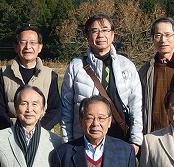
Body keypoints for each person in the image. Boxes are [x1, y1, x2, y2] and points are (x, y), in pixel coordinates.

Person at [60, 14, 143, 153]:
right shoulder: (76, 66)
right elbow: (66, 108)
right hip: (84, 140)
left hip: (120, 138)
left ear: (112, 35)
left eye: (105, 30)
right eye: (95, 31)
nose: (100, 35)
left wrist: (135, 140)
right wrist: (67, 142)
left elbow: (136, 105)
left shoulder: (127, 66)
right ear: (88, 36)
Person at [0, 26, 62, 131]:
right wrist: (14, 132)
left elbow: (56, 110)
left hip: (42, 134)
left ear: (40, 47)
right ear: (16, 46)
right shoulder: (3, 74)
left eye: (33, 43)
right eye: (23, 42)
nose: (28, 47)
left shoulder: (50, 75)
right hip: (11, 134)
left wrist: (38, 130)